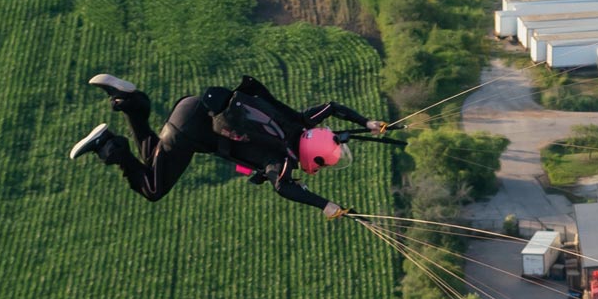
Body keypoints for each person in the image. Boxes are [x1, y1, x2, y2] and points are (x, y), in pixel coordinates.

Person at [69, 73, 385, 218]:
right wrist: (326, 206)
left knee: (154, 157)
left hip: (193, 109)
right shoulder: (283, 159)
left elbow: (331, 107)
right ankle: (109, 145)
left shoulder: (298, 123)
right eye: (321, 164)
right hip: (190, 131)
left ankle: (132, 103)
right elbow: (284, 187)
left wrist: (367, 123)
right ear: (313, 157)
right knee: (152, 187)